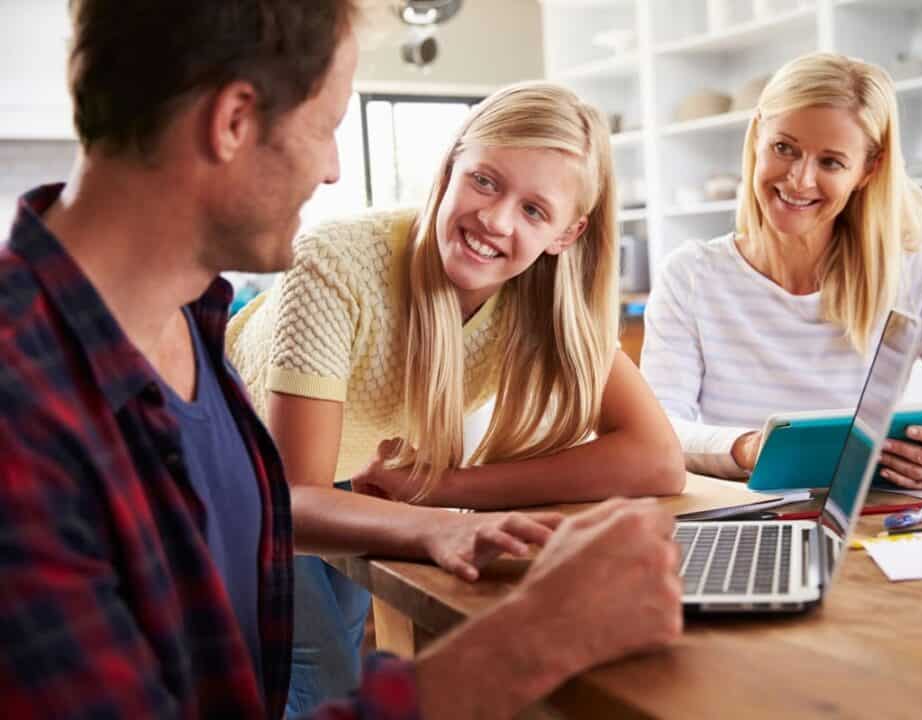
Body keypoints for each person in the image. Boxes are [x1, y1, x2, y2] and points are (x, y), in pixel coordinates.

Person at [0, 1, 684, 718]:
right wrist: (531, 638)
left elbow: (269, 514)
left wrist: (442, 518)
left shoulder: (186, 329)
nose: (332, 171)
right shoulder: (26, 412)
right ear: (234, 121)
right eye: (328, 127)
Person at [225, 81, 685, 709]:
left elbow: (656, 458)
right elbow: (290, 498)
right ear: (449, 167)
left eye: (534, 210)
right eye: (486, 181)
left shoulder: (542, 298)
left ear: (566, 234)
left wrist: (446, 490)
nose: (495, 220)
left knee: (348, 656)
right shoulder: (334, 262)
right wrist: (435, 523)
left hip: (344, 474)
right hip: (243, 473)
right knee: (319, 668)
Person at [641, 52, 922, 491]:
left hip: (868, 515)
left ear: (868, 169)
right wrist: (750, 448)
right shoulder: (691, 276)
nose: (799, 180)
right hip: (736, 513)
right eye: (783, 148)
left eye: (830, 162)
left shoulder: (911, 271)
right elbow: (659, 430)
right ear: (757, 134)